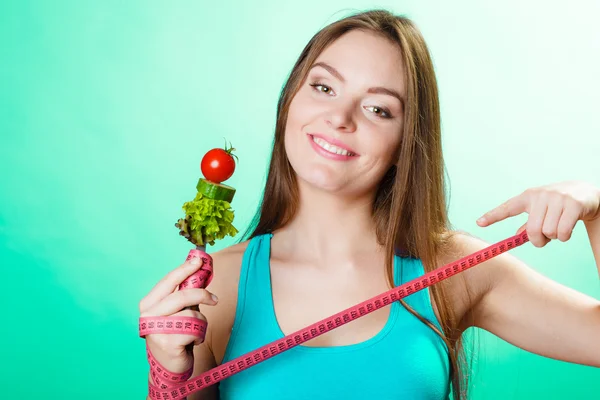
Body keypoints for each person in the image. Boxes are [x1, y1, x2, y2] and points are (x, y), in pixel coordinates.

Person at [138, 9, 600, 400]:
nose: (339, 117)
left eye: (378, 109)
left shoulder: (454, 270)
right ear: (290, 100)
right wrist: (166, 371)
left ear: (405, 144)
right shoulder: (217, 287)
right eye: (323, 87)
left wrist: (596, 208)